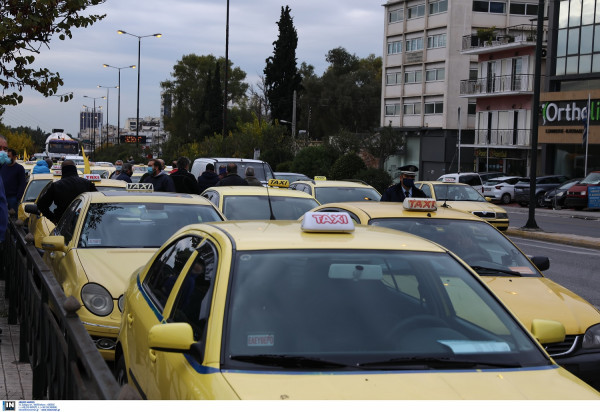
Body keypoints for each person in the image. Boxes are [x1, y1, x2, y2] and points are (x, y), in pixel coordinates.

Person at [36, 160, 97, 225]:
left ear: (62, 170)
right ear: (75, 169)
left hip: (63, 223)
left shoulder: (56, 186)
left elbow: (41, 205)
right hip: (84, 223)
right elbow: (97, 203)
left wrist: (53, 218)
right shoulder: (87, 183)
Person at [0, 143, 26, 213]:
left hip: (13, 198)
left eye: (9, 156)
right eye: (6, 156)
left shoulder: (19, 168)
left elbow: (22, 184)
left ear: (14, 157)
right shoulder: (2, 166)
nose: (7, 158)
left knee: (13, 219)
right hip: (2, 197)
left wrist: (17, 198)